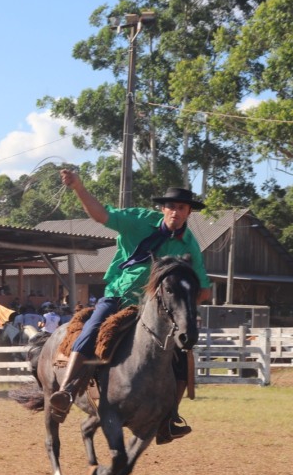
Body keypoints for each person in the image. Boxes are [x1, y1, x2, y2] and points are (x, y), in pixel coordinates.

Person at [51, 169, 212, 444]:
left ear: (188, 213)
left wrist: (181, 310)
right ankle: (65, 392)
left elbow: (204, 289)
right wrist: (78, 187)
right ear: (162, 208)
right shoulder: (138, 221)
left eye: (182, 208)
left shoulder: (190, 244)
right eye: (171, 207)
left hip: (157, 312)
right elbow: (102, 216)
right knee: (90, 331)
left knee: (182, 358)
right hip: (119, 296)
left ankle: (169, 417)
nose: (176, 212)